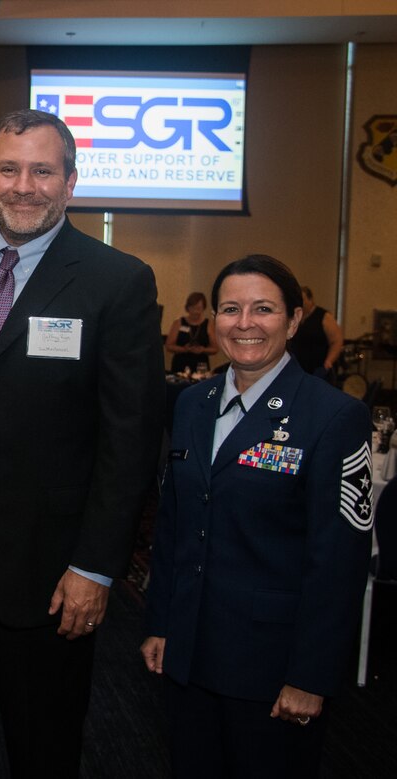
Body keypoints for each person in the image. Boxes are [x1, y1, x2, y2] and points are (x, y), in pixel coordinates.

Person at [0, 109, 164, 776]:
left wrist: (96, 566)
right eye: (10, 169)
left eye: (43, 171)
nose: (24, 186)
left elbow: (130, 439)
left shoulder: (117, 280)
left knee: (42, 740)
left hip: (50, 560)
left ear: (70, 182)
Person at [142, 255, 373, 778]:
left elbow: (338, 563)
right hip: (189, 656)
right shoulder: (192, 403)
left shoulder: (334, 416)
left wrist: (311, 675)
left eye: (263, 309)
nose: (244, 323)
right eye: (230, 309)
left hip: (271, 668)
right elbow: (174, 526)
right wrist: (160, 623)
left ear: (293, 321)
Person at [288, 284, 344, 377]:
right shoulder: (295, 317)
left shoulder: (324, 316)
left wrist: (328, 362)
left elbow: (337, 341)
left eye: (303, 300)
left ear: (311, 300)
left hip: (319, 369)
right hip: (298, 369)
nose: (300, 303)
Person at [165, 291, 218, 374]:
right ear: (188, 308)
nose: (195, 312)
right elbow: (169, 346)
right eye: (193, 308)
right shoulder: (178, 323)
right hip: (180, 364)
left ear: (203, 308)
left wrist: (203, 350)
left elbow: (215, 348)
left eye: (198, 308)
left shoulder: (208, 324)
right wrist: (184, 349)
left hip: (201, 365)